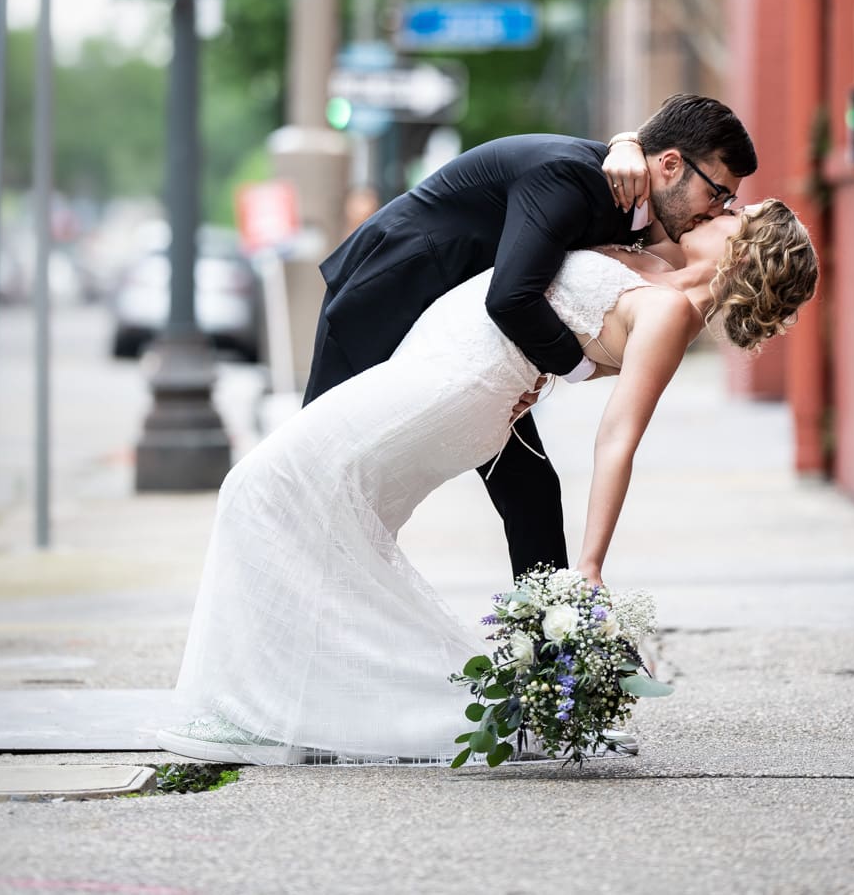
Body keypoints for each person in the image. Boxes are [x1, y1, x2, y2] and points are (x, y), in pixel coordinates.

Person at [159, 199, 818, 766]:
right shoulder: (654, 259)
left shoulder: (670, 313)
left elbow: (617, 438)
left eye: (736, 214)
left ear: (742, 254)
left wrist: (586, 568)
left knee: (259, 487)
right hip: (440, 368)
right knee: (320, 516)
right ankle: (283, 697)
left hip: (452, 387)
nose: (720, 208)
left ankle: (256, 705)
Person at [303, 96, 758, 577]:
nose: (717, 210)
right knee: (321, 472)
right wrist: (574, 368)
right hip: (387, 298)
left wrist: (626, 141)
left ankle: (554, 639)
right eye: (717, 194)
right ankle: (300, 604)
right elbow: (511, 299)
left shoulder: (640, 207)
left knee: (532, 491)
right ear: (669, 165)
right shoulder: (573, 179)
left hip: (473, 348)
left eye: (727, 203)